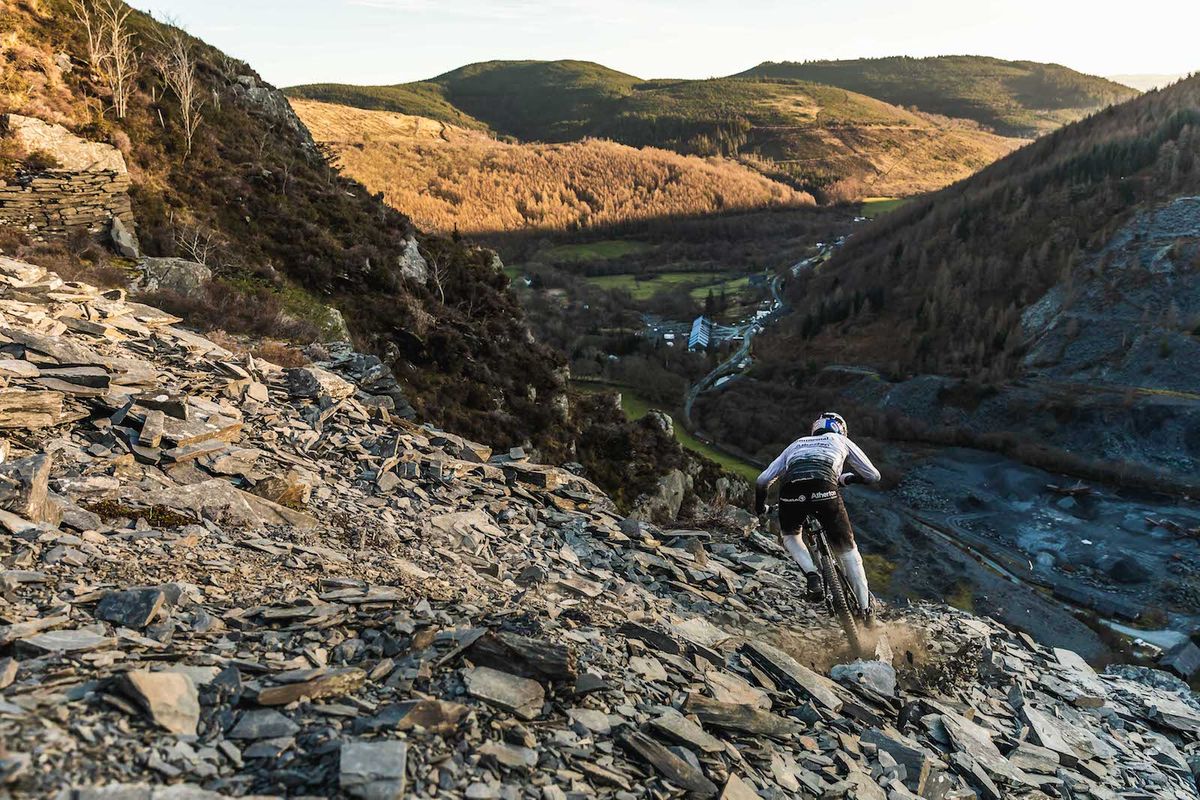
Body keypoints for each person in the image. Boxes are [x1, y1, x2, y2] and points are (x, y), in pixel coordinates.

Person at [754, 412, 882, 623]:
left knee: (791, 536)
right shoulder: (841, 440)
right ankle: (866, 610)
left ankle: (812, 575)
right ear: (841, 429)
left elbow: (762, 480)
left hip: (790, 492)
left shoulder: (797, 444)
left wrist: (760, 507)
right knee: (849, 552)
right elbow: (873, 475)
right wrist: (847, 478)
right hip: (825, 489)